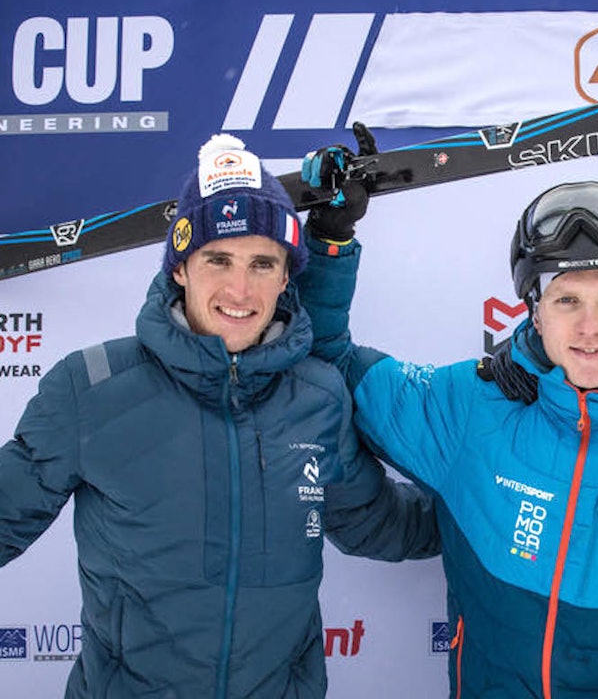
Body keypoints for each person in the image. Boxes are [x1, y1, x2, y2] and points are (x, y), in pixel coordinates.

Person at [295, 144, 598, 699]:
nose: (589, 326)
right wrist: (331, 238)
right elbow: (327, 358)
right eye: (565, 300)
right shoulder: (470, 407)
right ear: (533, 309)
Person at [0, 134, 438, 698]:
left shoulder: (317, 397)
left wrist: (486, 512)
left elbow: (376, 521)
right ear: (181, 268)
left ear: (286, 277)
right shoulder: (90, 389)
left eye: (262, 263)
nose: (240, 288)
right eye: (218, 259)